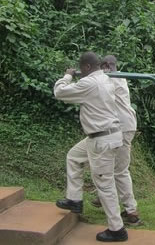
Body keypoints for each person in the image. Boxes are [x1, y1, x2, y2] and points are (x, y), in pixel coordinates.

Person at [54, 51, 128, 242]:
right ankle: (75, 199)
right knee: (73, 156)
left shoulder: (89, 83)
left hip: (102, 140)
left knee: (105, 184)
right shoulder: (105, 78)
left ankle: (117, 229)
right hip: (104, 135)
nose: (81, 72)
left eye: (81, 69)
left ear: (86, 67)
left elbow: (60, 92)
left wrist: (68, 75)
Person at [90, 55, 142, 226]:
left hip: (121, 128)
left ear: (107, 66)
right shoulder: (118, 77)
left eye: (106, 65)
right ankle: (102, 196)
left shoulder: (111, 78)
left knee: (120, 170)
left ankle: (131, 210)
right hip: (122, 126)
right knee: (110, 165)